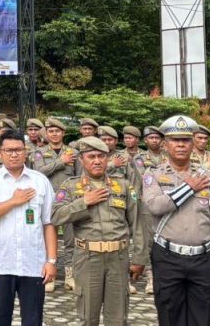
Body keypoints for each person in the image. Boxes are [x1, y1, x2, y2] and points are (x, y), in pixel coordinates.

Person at [142, 115, 210, 326]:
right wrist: (189, 187)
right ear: (165, 144)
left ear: (192, 144)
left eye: (185, 140)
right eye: (175, 140)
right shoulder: (153, 174)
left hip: (203, 258)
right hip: (167, 257)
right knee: (170, 317)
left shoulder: (209, 178)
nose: (181, 145)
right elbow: (155, 206)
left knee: (203, 318)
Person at [51, 136, 147, 326]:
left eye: (101, 156)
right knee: (88, 317)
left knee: (118, 319)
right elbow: (55, 216)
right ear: (81, 159)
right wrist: (84, 202)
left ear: (107, 158)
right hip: (87, 258)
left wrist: (139, 258)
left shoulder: (123, 185)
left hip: (118, 258)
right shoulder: (70, 186)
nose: (97, 161)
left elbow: (137, 222)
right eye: (91, 156)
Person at [0, 128, 56, 326]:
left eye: (18, 150)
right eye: (8, 150)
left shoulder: (40, 181)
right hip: (1, 265)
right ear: (0, 153)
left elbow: (49, 223)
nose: (13, 154)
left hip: (33, 265)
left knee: (33, 320)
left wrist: (51, 261)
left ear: (25, 152)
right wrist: (12, 202)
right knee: (0, 320)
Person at [31, 117, 78, 292]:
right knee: (46, 239)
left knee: (71, 239)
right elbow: (38, 172)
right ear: (47, 133)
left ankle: (70, 275)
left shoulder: (73, 153)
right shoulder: (39, 152)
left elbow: (79, 177)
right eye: (51, 131)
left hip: (69, 202)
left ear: (63, 133)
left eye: (57, 131)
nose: (54, 134)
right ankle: (48, 275)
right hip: (47, 202)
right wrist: (61, 162)